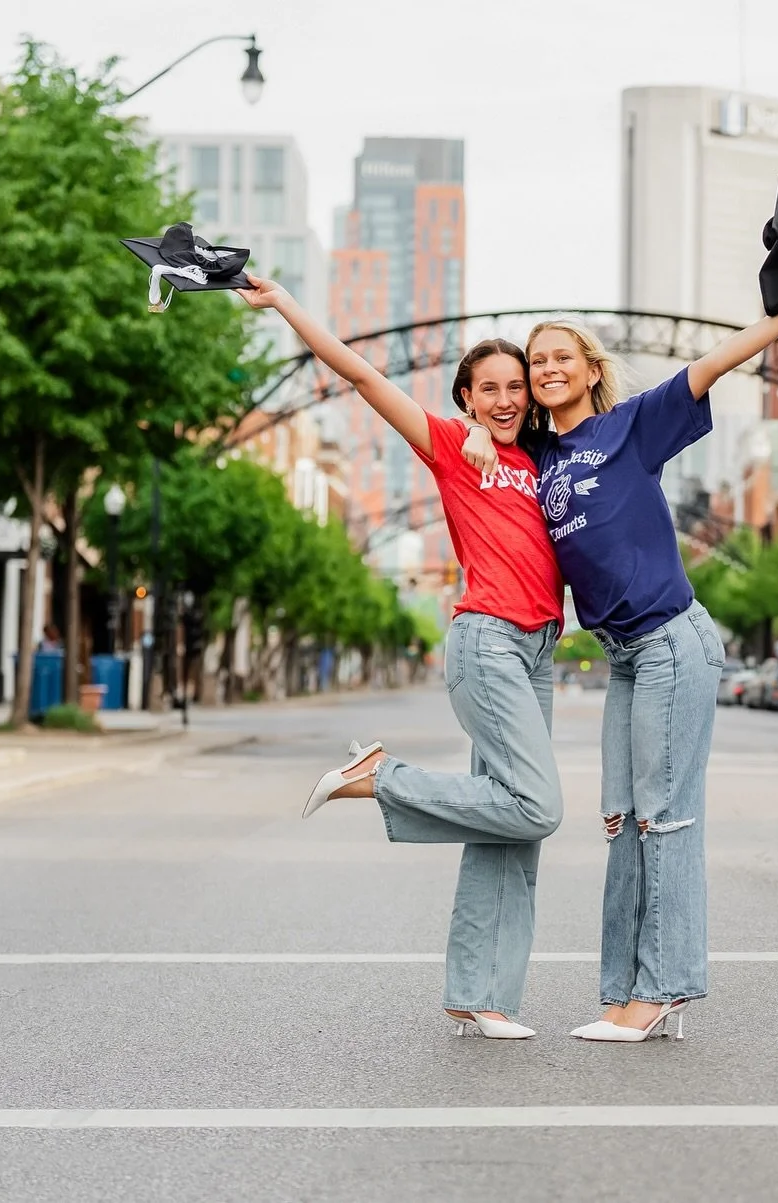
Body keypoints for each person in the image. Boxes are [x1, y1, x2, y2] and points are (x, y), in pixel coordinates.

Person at [463, 282, 778, 1042]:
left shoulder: (631, 426)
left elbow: (715, 361)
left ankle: (661, 990)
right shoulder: (540, 453)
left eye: (561, 357)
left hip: (671, 640)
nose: (546, 369)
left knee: (664, 818)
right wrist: (474, 430)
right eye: (537, 361)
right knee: (622, 819)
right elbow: (486, 427)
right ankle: (624, 989)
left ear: (591, 369)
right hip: (625, 656)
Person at [237, 275, 564, 1040]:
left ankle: (480, 995)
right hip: (487, 639)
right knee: (538, 805)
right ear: (467, 397)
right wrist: (285, 304)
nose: (506, 398)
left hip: (541, 648)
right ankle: (379, 775)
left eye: (516, 386)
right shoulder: (451, 446)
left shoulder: (547, 458)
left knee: (511, 829)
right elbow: (361, 375)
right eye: (489, 389)